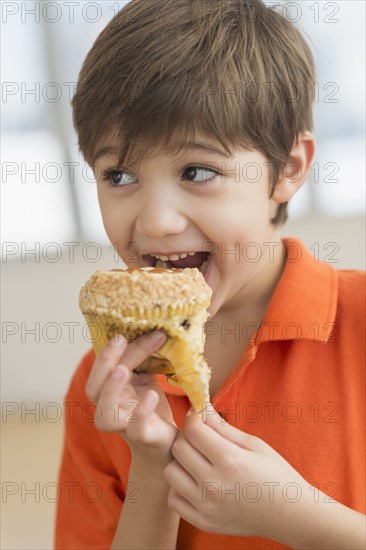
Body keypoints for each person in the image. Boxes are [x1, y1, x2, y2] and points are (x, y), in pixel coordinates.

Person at [55, 1, 365, 548]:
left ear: (287, 170)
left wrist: (298, 518)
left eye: (197, 171)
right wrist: (152, 469)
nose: (154, 221)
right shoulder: (102, 383)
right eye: (119, 174)